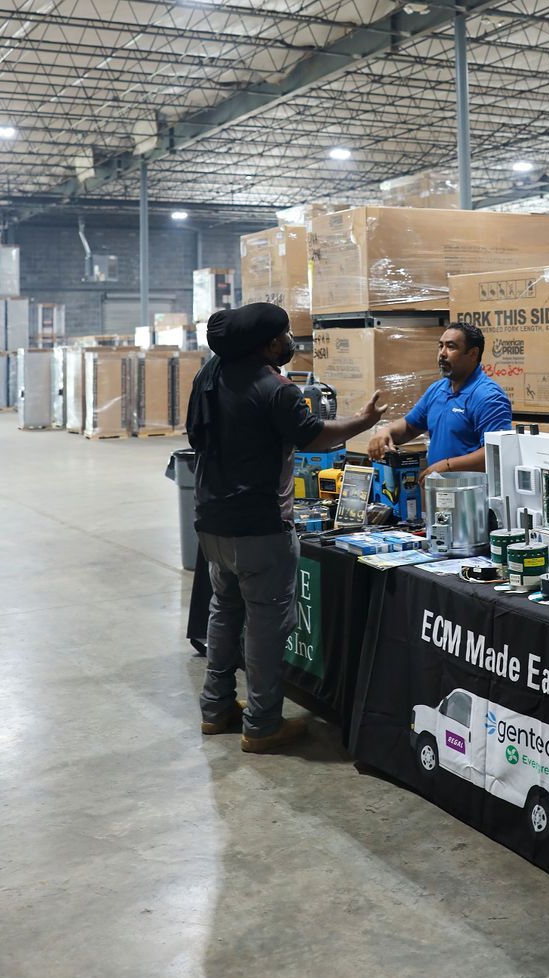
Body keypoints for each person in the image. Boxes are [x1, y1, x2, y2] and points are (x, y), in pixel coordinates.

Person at [187, 302, 386, 752]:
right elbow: (316, 437)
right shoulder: (275, 388)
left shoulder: (210, 374)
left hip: (212, 523)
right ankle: (262, 724)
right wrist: (365, 420)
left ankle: (215, 709)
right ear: (268, 343)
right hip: (259, 528)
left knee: (224, 609)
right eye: (285, 336)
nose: (291, 343)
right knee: (265, 625)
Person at [367, 321, 511, 478]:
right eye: (440, 346)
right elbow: (410, 426)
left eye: (451, 347)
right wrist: (385, 431)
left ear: (473, 354)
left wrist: (447, 466)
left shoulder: (488, 397)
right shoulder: (438, 390)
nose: (442, 353)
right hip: (440, 491)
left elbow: (495, 453)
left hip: (473, 496)